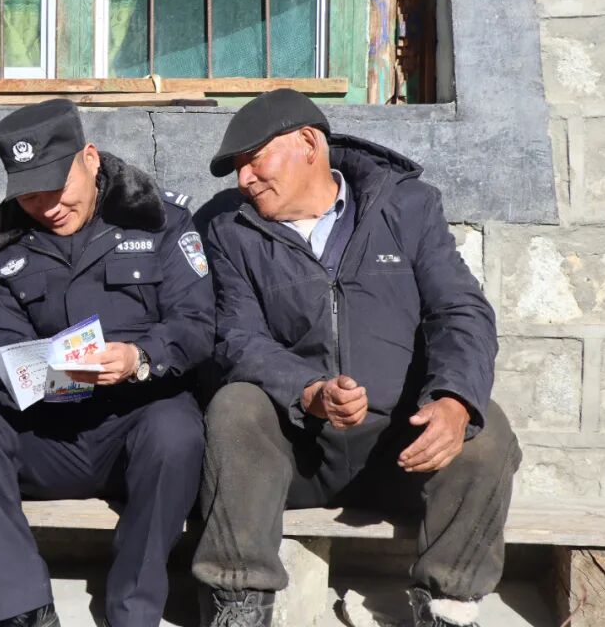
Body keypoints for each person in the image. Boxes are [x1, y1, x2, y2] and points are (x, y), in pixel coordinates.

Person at [191, 90, 522, 627]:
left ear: (308, 143)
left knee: (485, 429)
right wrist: (308, 390)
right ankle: (239, 603)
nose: (244, 180)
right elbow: (235, 337)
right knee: (236, 407)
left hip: (403, 448)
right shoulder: (228, 229)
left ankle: (448, 608)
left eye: (253, 160)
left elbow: (459, 310)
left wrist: (453, 399)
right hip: (297, 451)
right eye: (237, 169)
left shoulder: (407, 207)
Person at [0, 99, 215, 627]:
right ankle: (22, 608)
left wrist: (139, 357)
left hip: (137, 428)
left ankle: (132, 610)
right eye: (30, 195)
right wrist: (55, 375)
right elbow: (6, 353)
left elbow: (197, 325)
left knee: (176, 428)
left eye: (57, 188)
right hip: (51, 432)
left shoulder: (160, 220)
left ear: (89, 158)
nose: (48, 206)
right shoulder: (3, 248)